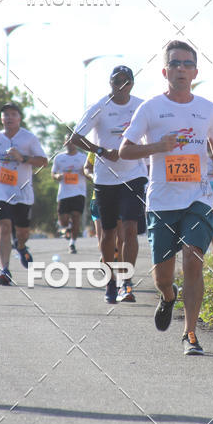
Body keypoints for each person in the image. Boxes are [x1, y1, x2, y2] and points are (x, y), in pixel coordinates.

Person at [119, 39, 213, 356]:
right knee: (162, 277)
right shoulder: (150, 108)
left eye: (187, 64)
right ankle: (168, 297)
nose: (181, 69)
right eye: (175, 64)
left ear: (196, 71)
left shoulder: (208, 110)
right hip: (162, 201)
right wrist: (157, 147)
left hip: (198, 198)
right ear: (165, 71)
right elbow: (125, 150)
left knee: (193, 260)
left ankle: (190, 334)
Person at [72, 66, 146, 304]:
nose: (120, 86)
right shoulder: (99, 107)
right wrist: (101, 151)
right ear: (110, 83)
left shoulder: (142, 107)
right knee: (108, 233)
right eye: (116, 82)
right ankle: (110, 281)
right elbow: (75, 138)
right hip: (105, 178)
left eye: (125, 82)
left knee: (130, 229)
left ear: (132, 84)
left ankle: (127, 282)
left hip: (134, 175)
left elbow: (157, 134)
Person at [0, 102, 48, 285]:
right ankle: (5, 270)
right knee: (4, 227)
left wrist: (24, 158)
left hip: (22, 191)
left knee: (22, 231)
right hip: (0, 189)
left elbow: (44, 161)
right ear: (1, 119)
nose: (9, 118)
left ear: (19, 118)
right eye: (6, 115)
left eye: (13, 114)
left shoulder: (29, 138)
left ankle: (21, 246)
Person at [52, 140, 88, 253]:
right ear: (64, 143)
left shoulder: (83, 157)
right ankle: (67, 226)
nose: (70, 144)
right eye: (68, 141)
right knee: (63, 221)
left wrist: (85, 172)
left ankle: (72, 244)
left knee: (76, 216)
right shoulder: (59, 158)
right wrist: (57, 176)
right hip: (64, 193)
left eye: (73, 141)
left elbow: (90, 172)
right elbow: (53, 173)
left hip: (79, 192)